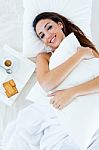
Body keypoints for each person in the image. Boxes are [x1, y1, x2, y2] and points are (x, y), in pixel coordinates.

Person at [2, 12, 99, 150]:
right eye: (42, 35)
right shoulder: (44, 57)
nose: (47, 35)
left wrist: (72, 92)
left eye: (49, 27)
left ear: (60, 25)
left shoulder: (87, 51)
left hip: (87, 104)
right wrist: (78, 56)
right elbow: (47, 84)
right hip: (56, 108)